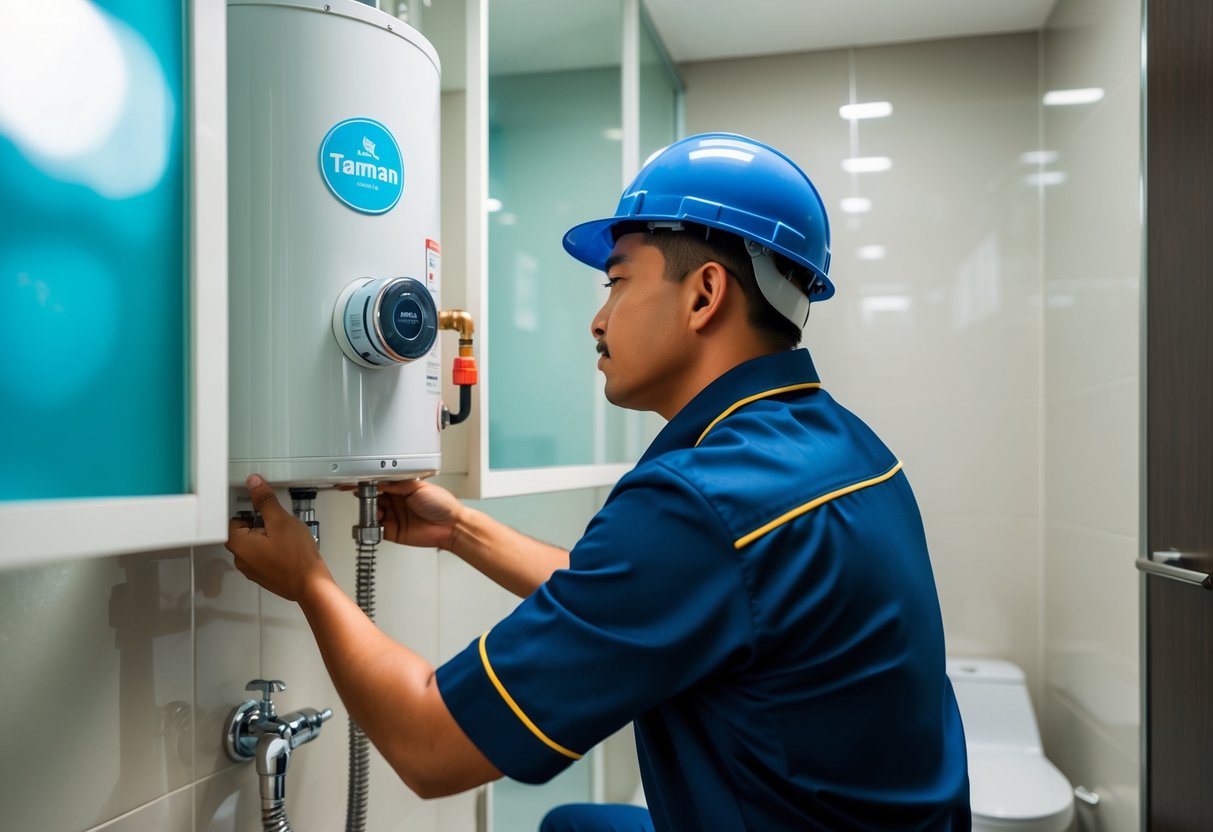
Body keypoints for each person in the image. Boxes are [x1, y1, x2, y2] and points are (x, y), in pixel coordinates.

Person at [227, 132, 971, 831]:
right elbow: (656, 597)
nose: (597, 319)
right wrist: (458, 528)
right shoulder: (844, 448)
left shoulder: (704, 498)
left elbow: (430, 744)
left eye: (617, 283)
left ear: (704, 295)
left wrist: (311, 582)